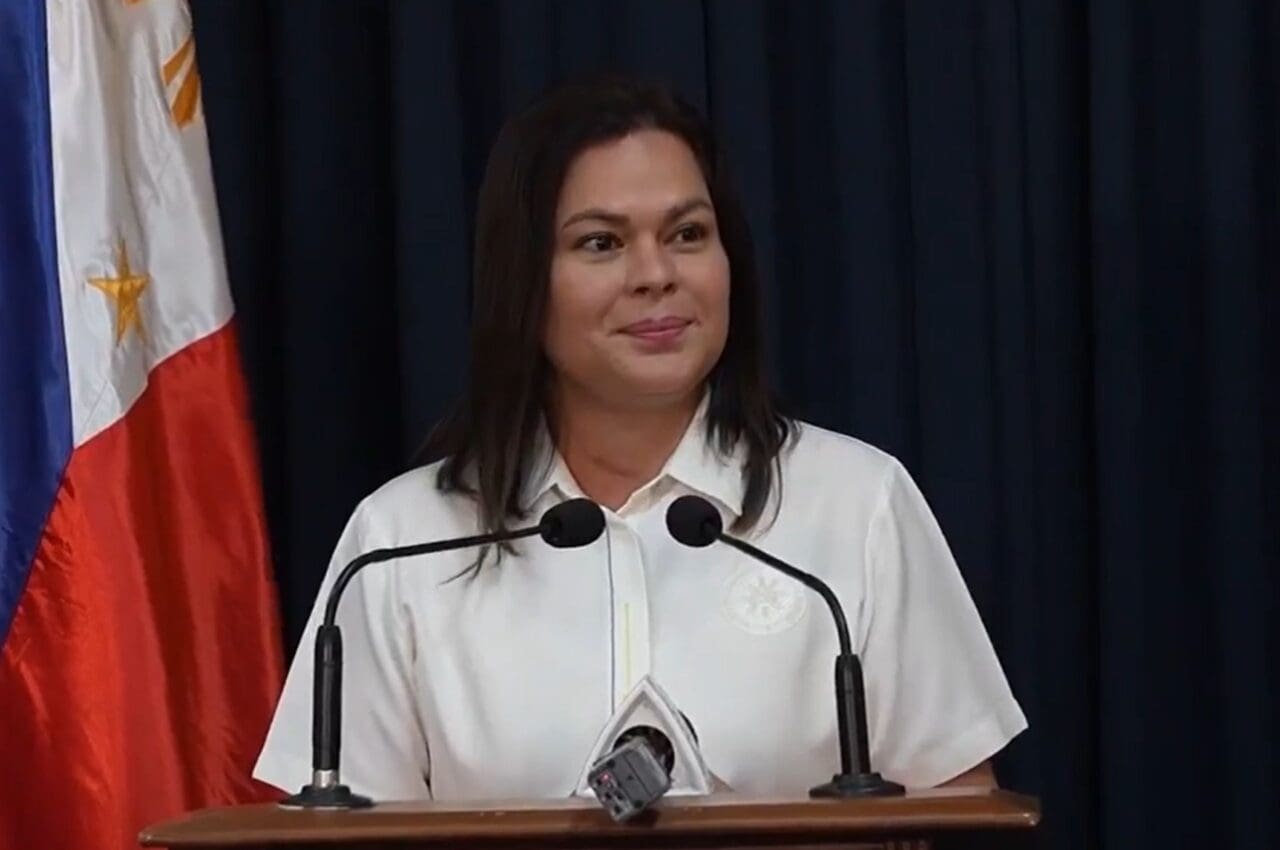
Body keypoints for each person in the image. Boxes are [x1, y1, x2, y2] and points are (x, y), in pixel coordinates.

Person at [253, 76, 1027, 801]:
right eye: (602, 243)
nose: (656, 274)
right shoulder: (400, 543)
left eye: (687, 233)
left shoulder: (857, 504)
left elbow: (956, 803)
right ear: (523, 280)